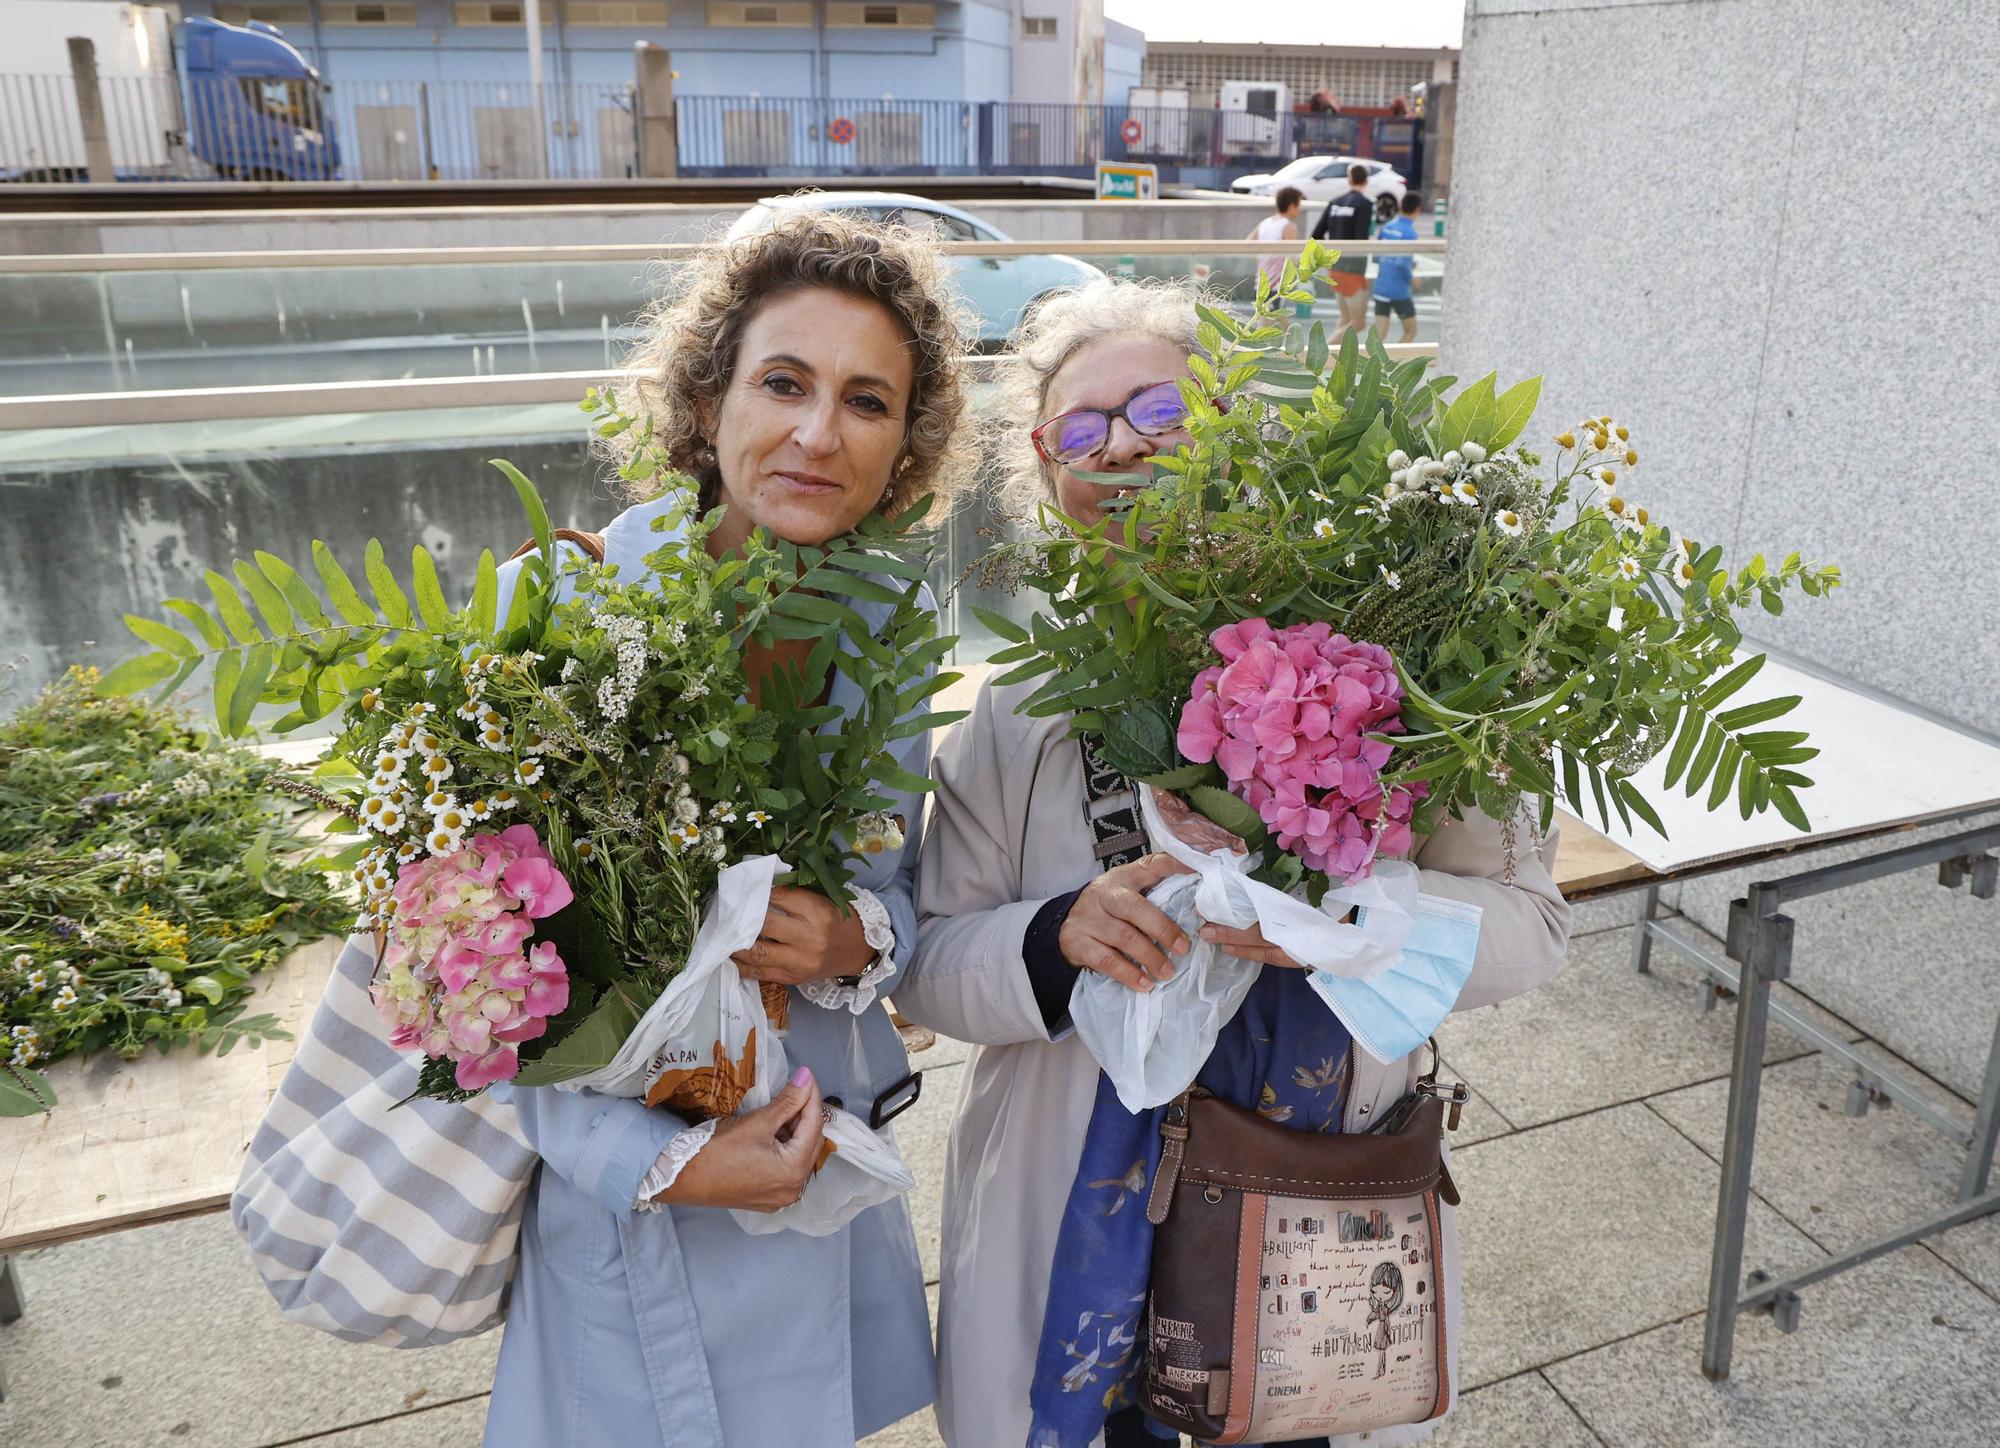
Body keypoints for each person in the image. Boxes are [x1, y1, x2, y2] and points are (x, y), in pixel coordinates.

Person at [893, 277, 1573, 1448]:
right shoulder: (1021, 705)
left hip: (1323, 1206)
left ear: (1239, 431)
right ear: (1049, 479)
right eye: (1077, 427)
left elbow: (1530, 928)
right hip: (1072, 1210)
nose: (1120, 445)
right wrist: (1055, 937)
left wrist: (1349, 908)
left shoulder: (1405, 660)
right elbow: (927, 968)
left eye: (1159, 408)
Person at [481, 211, 974, 1448]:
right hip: (635, 1210)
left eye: (867, 401)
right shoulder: (565, 602)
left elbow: (895, 887)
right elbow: (465, 984)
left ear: (904, 449)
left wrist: (851, 943)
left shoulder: (893, 618)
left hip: (815, 1172)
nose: (817, 433)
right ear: (707, 401)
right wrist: (657, 1164)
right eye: (783, 382)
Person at [1312, 162, 1375, 338]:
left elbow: (1316, 235)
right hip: (1353, 268)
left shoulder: (1335, 202)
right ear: (1366, 180)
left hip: (1335, 267)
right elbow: (1360, 239)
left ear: (1349, 179)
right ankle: (1323, 354)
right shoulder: (1364, 204)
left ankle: (1333, 361)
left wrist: (1328, 258)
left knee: (1346, 318)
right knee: (1358, 323)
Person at [1373, 190, 1425, 345]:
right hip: (1399, 290)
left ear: (1401, 206)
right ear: (1418, 210)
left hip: (1381, 286)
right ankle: (1392, 365)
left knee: (1378, 336)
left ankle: (1370, 366)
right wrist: (1412, 279)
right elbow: (1402, 263)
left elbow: (1376, 256)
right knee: (1410, 331)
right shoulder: (1410, 233)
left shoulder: (1387, 227)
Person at [1248, 184, 1305, 304]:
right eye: (1298, 205)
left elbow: (1248, 244)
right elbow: (1293, 256)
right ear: (1292, 206)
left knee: (1271, 320)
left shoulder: (1265, 222)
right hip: (1276, 284)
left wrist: (1262, 260)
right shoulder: (1289, 226)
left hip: (1260, 281)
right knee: (1274, 319)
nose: (1300, 209)